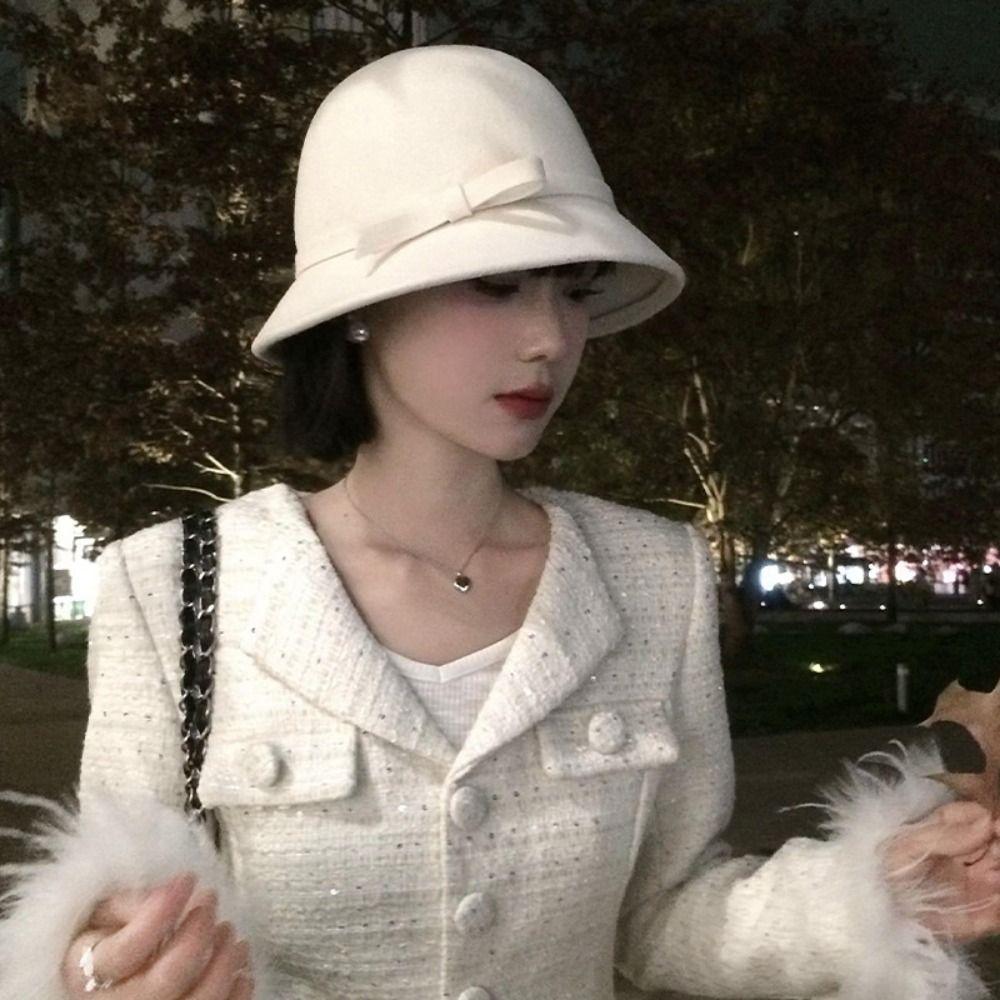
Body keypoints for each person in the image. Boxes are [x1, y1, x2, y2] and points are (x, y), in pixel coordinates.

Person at [2, 43, 1000, 1000]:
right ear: (361, 308)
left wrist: (868, 893)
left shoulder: (654, 575)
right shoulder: (175, 587)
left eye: (573, 290)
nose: (550, 338)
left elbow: (662, 916)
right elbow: (123, 909)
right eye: (496, 283)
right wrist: (92, 972)